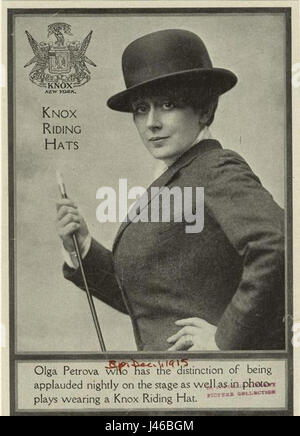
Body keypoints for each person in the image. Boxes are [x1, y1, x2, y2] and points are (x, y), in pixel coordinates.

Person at [56, 29, 285, 351]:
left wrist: (226, 340)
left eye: (167, 104)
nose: (151, 122)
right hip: (172, 388)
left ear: (204, 110)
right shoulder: (177, 176)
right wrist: (82, 247)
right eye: (140, 108)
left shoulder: (215, 168)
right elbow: (149, 300)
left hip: (213, 387)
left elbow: (279, 244)